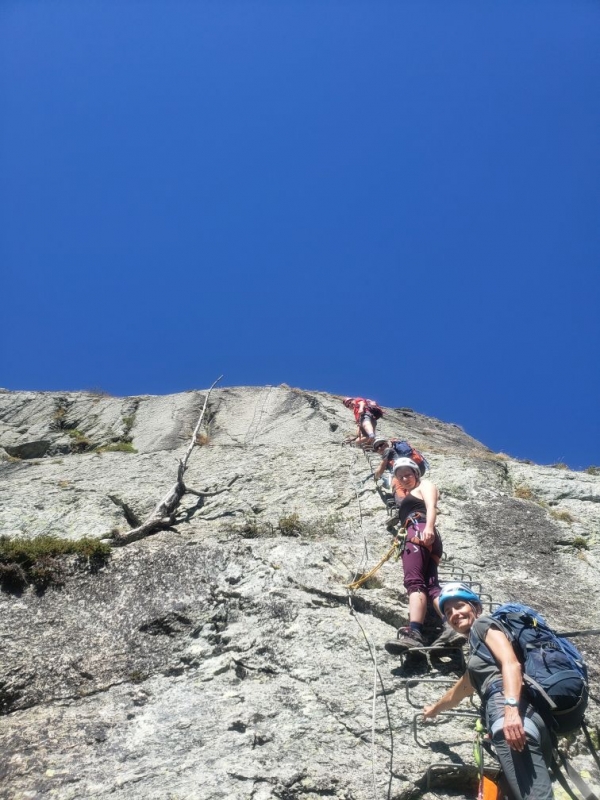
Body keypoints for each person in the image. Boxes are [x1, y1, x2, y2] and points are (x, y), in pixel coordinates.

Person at [423, 583, 555, 800]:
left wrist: (510, 711)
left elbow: (511, 664)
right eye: (448, 612)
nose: (454, 614)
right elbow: (462, 688)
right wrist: (434, 710)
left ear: (476, 607)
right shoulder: (478, 650)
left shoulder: (482, 625)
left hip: (510, 717)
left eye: (459, 606)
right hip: (531, 718)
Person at [385, 459, 464, 652]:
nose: (405, 478)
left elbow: (431, 507)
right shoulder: (409, 493)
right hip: (423, 535)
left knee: (414, 583)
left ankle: (414, 633)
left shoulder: (426, 485)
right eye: (400, 476)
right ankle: (451, 627)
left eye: (408, 474)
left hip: (418, 532)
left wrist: (428, 527)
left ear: (416, 474)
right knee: (431, 586)